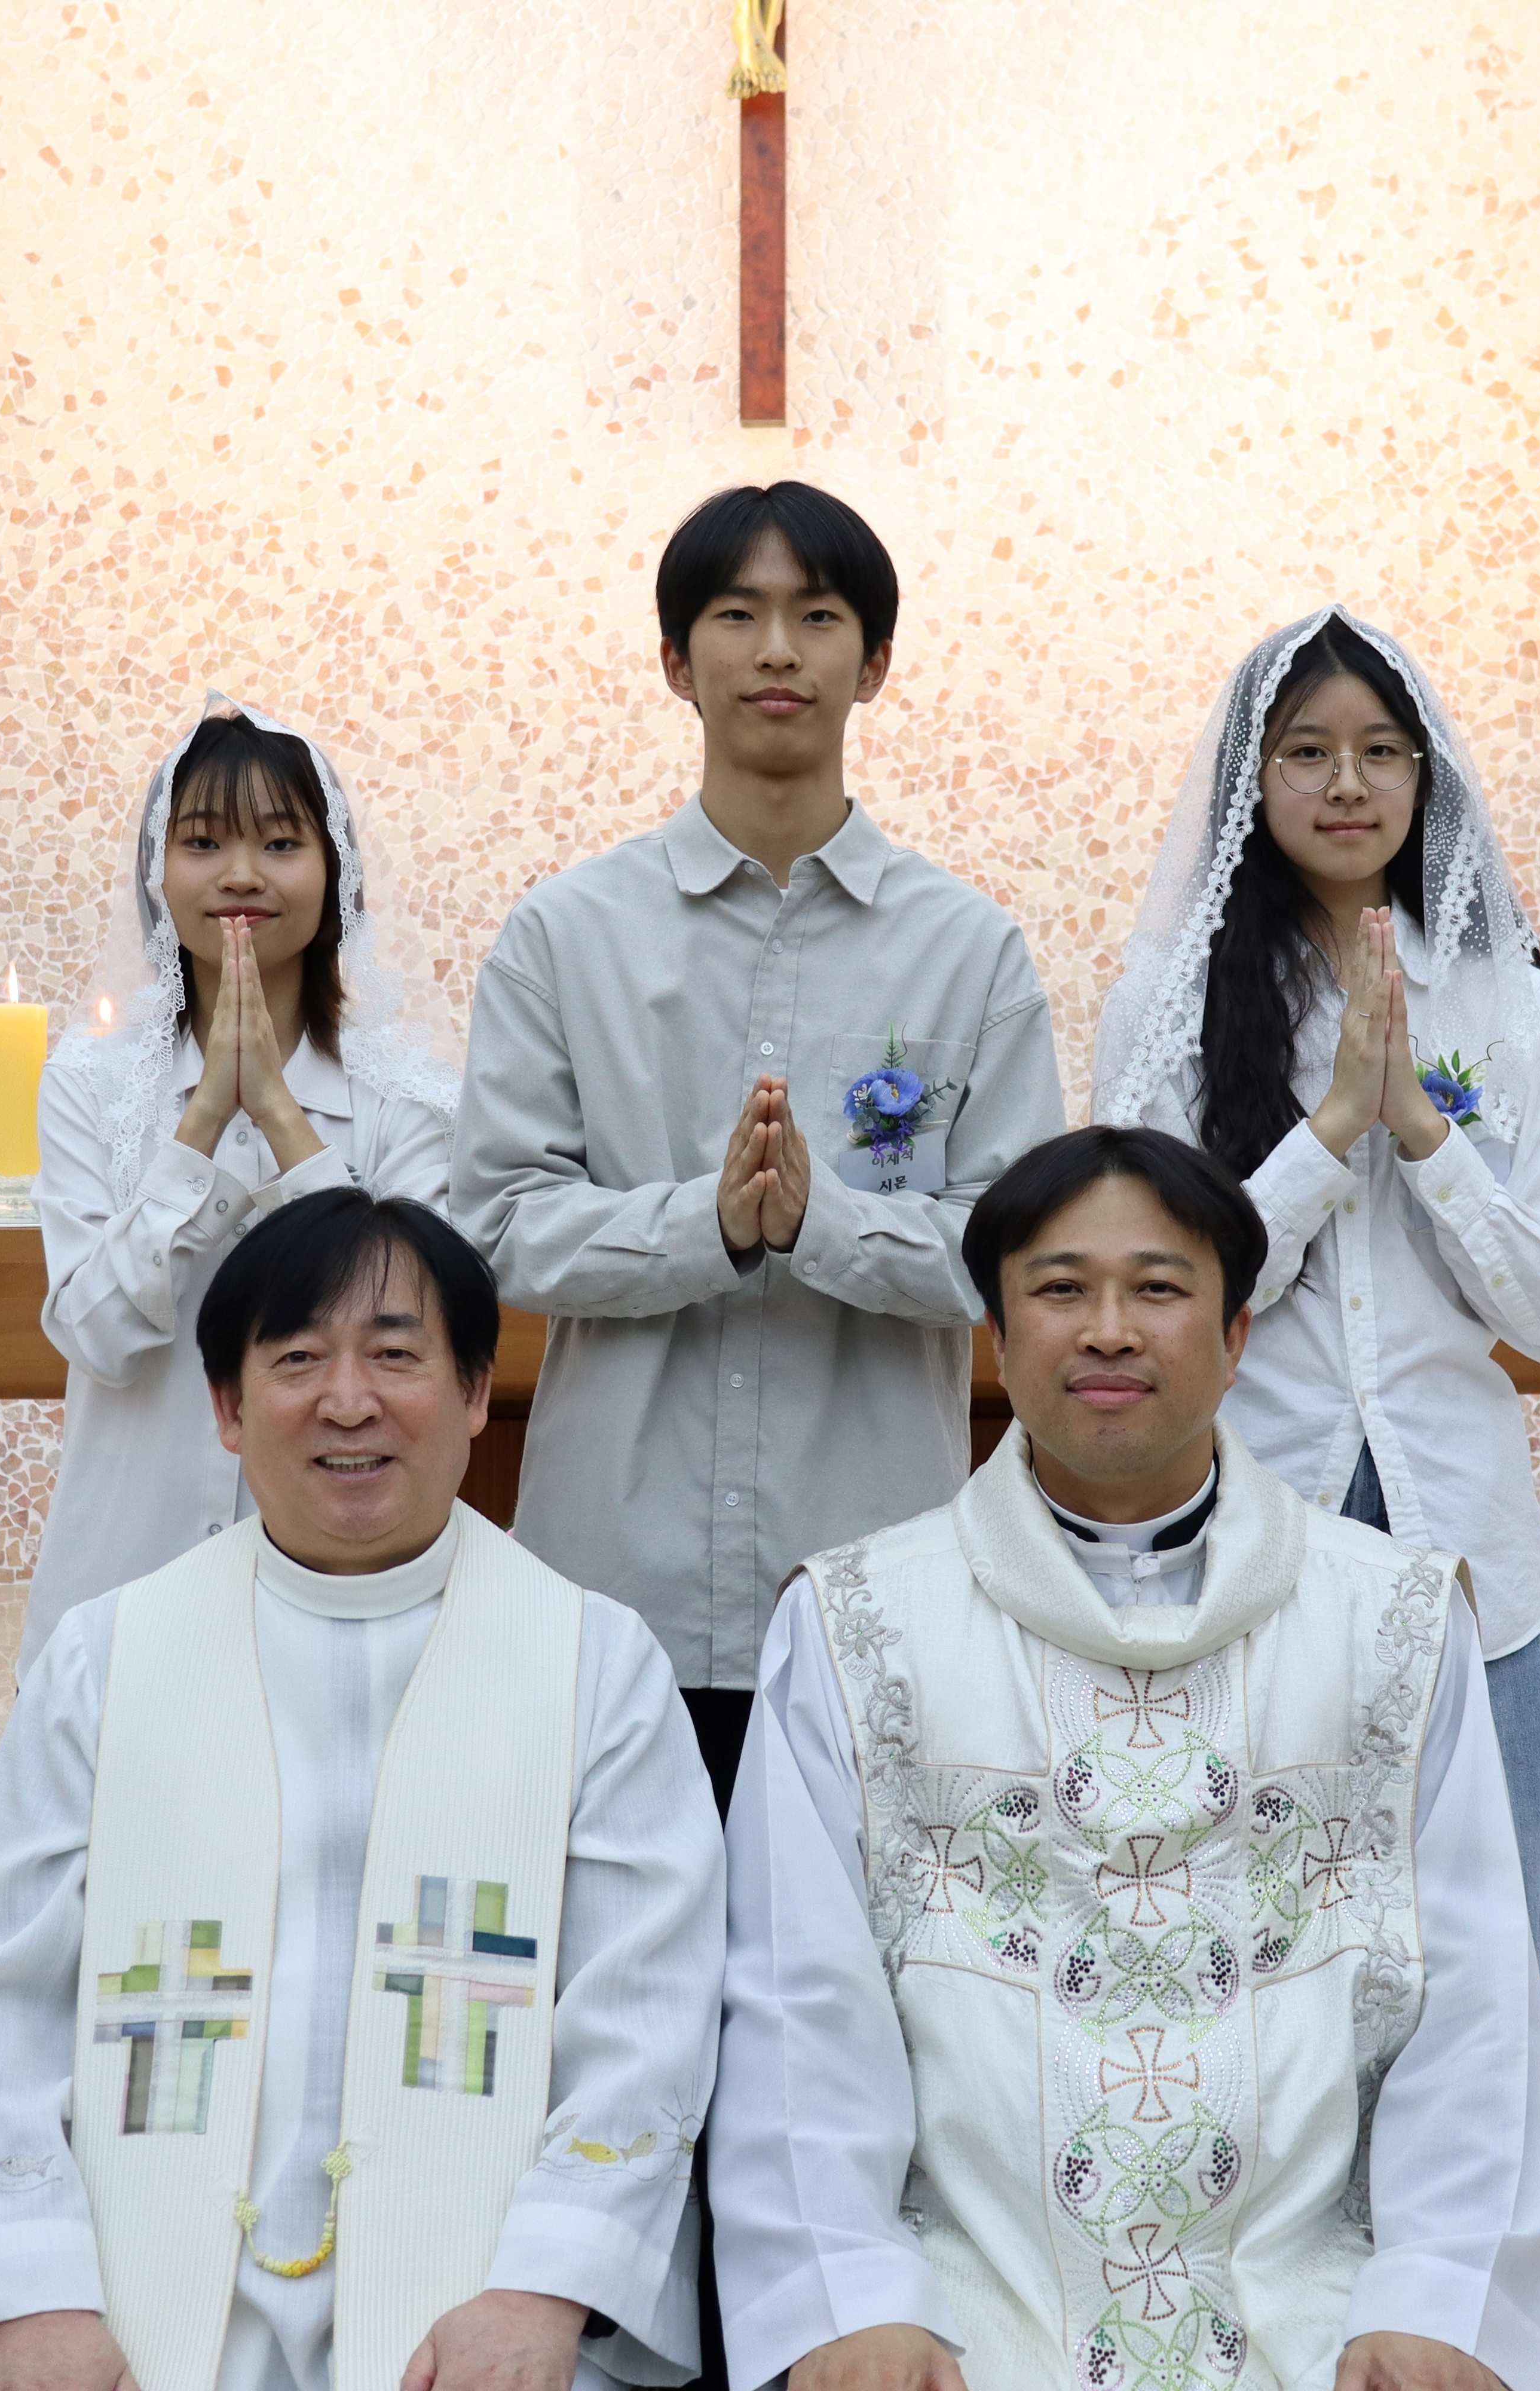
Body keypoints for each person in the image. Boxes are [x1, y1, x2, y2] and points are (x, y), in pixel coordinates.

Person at [709, 1126, 1540, 2391]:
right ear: (999, 1333)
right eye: (1061, 1288)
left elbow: (1477, 1999)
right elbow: (799, 2006)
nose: (1108, 1331)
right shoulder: (857, 1625)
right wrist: (856, 2298)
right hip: (965, 2315)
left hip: (1318, 2316)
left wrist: (1437, 2297)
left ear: (1236, 1334)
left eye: (1158, 1288)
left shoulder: (1391, 1619)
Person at [0, 1191, 722, 2391]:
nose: (348, 1401)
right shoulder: (106, 1660)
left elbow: (649, 2015)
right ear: (228, 1409)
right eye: (297, 1359)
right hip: (125, 2324)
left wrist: (544, 2290)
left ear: (476, 1391)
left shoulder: (595, 1661)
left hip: (489, 2327)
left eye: (395, 1354)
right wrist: (33, 2298)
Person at [452, 481, 1068, 1803]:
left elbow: (1023, 1261)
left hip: (877, 1588)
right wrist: (712, 1225)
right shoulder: (566, 935)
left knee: (862, 1936)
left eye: (818, 615)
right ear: (677, 663)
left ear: (876, 663)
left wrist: (821, 1224)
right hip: (616, 1585)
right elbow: (495, 1225)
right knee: (611, 1930)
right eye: (737, 615)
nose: (777, 650)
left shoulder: (969, 951)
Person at [1092, 611, 1540, 1965]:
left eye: (1381, 751)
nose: (1346, 783)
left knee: (1477, 1935)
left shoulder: (1508, 1004)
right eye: (1307, 751)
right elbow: (1150, 1299)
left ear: (1426, 777)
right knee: (1241, 1932)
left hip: (1464, 1525)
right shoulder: (1165, 1001)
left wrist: (1422, 1132)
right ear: (1252, 782)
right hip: (1246, 1516)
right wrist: (1329, 1132)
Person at [15, 695, 457, 1675]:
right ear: (157, 871)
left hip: (344, 1581)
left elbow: (415, 1325)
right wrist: (203, 1126)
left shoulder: (411, 1100)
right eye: (205, 842)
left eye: (282, 843)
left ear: (334, 872)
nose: (242, 875)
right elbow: (95, 1335)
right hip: (124, 1577)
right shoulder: (90, 1085)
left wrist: (286, 1126)